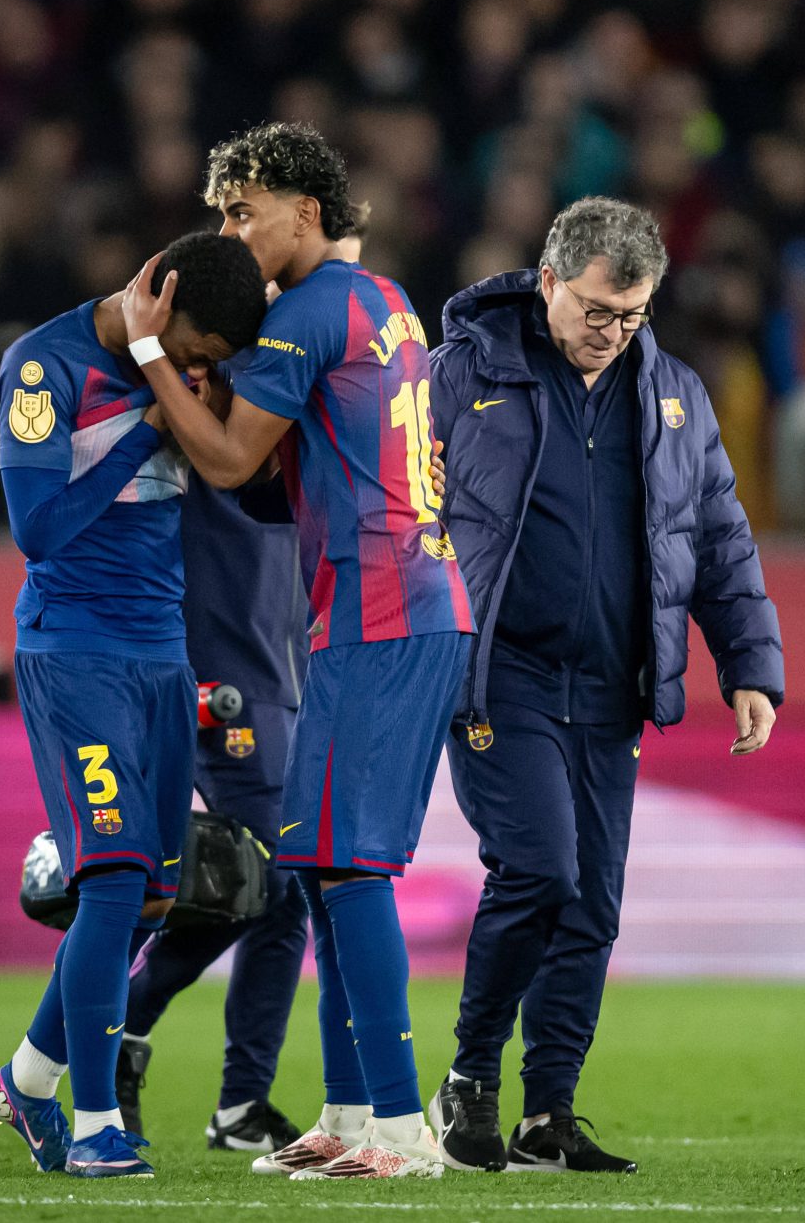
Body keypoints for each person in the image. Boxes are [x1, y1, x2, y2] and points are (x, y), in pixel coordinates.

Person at [122, 121, 473, 1182]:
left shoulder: (312, 311)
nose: (229, 232)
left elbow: (230, 461)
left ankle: (403, 1134)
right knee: (319, 871)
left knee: (351, 870)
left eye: (244, 211)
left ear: (306, 212)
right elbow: (291, 480)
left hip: (383, 612)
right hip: (385, 605)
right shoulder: (380, 300)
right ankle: (346, 1108)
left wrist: (149, 352)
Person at [422, 197, 784, 1175]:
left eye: (628, 315)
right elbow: (396, 506)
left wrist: (749, 664)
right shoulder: (462, 373)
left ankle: (548, 1114)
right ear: (546, 280)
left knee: (590, 907)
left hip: (613, 683)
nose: (609, 332)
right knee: (539, 870)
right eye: (592, 310)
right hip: (502, 674)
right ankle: (468, 1079)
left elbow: (717, 537)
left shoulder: (672, 395)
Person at [0, 231, 268, 1180]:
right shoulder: (43, 365)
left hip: (161, 657)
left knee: (150, 898)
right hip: (74, 654)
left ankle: (26, 1078)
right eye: (195, 352)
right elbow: (38, 529)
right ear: (162, 294)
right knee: (108, 880)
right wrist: (147, 427)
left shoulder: (176, 374)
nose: (196, 374)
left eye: (210, 368)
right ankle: (96, 1122)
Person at [114, 213, 371, 1156]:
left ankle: (236, 1104)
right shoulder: (206, 391)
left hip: (280, 663)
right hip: (223, 670)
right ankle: (120, 1036)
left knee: (281, 890)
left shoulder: (291, 376)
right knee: (265, 875)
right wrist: (158, 359)